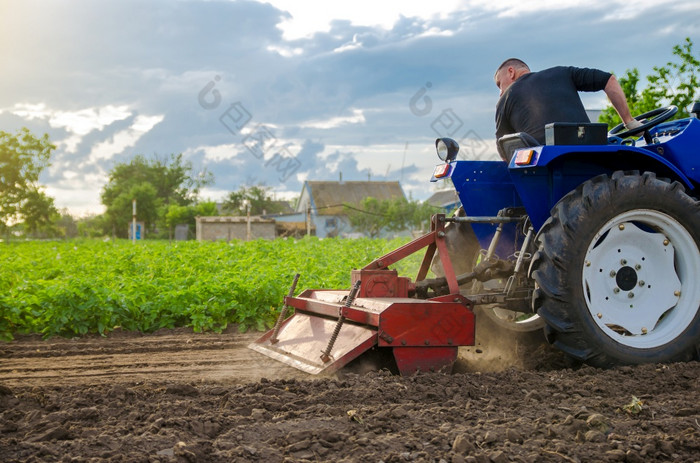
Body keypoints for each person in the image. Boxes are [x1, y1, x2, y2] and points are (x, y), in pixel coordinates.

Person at [494, 58, 642, 161]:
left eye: (499, 84)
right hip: (594, 155)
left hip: (546, 166)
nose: (500, 92)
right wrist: (629, 122)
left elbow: (504, 149)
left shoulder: (505, 99)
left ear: (511, 72)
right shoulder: (562, 72)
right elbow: (609, 80)